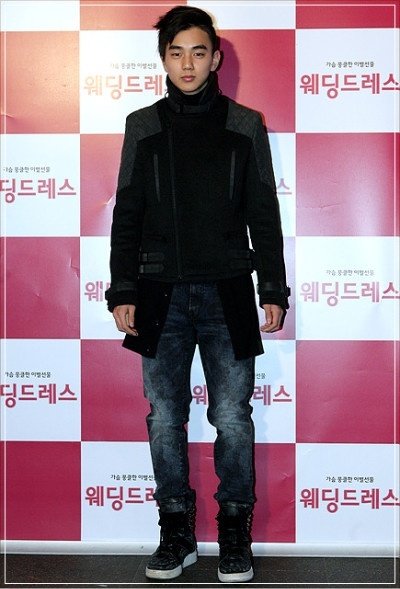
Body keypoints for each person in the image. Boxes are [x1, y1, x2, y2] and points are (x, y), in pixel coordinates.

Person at [105, 5, 290, 583]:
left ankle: (235, 536)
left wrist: (273, 287)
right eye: (176, 52)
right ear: (163, 60)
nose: (188, 63)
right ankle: (176, 535)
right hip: (158, 293)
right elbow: (127, 214)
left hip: (228, 292)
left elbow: (264, 212)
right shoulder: (142, 125)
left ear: (216, 59)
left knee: (232, 416)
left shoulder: (246, 124)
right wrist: (122, 289)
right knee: (165, 416)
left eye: (198, 52)